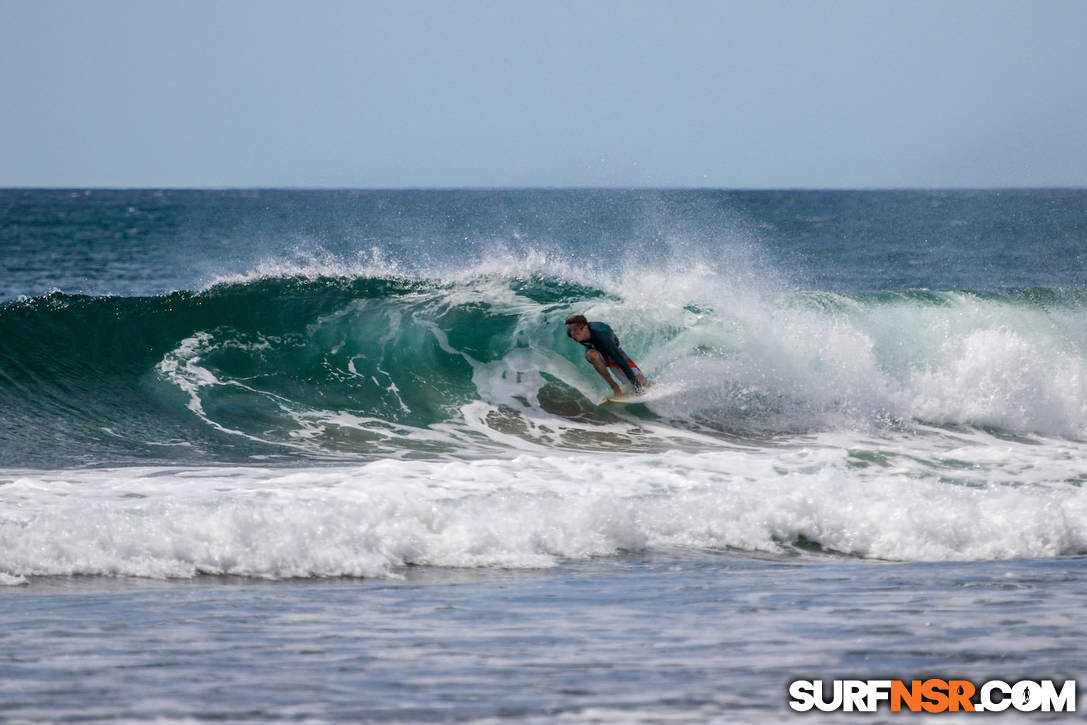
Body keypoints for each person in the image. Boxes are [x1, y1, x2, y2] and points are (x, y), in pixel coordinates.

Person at [565, 314, 649, 397]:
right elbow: (573, 332)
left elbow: (622, 363)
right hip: (594, 349)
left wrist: (638, 389)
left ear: (585, 328)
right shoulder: (571, 332)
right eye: (570, 330)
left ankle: (645, 384)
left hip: (611, 349)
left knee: (642, 382)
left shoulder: (603, 336)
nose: (572, 334)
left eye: (575, 330)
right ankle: (615, 387)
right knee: (593, 355)